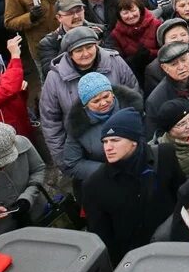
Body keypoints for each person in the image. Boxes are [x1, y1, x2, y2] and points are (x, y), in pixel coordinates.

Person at [82, 107, 184, 263]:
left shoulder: (165, 155)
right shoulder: (94, 185)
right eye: (105, 141)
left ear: (134, 142)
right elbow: (104, 241)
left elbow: (181, 196)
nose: (108, 147)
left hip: (176, 246)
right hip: (137, 263)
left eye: (115, 140)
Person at [39, 25, 138, 168]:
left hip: (123, 137)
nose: (85, 54)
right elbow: (50, 122)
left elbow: (133, 94)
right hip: (85, 151)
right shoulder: (55, 78)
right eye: (79, 50)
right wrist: (64, 160)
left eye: (90, 47)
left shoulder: (115, 61)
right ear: (69, 53)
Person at [62, 71, 144, 186]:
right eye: (96, 101)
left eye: (106, 96)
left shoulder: (133, 108)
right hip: (109, 182)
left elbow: (146, 137)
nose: (103, 103)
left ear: (112, 93)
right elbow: (72, 163)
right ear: (86, 105)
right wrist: (106, 171)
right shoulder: (77, 127)